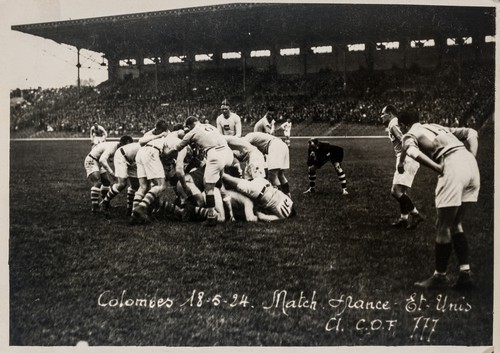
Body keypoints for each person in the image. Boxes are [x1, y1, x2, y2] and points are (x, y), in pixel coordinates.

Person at [398, 109, 480, 290]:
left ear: (403, 125)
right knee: (456, 222)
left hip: (452, 165)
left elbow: (411, 150)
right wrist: (471, 157)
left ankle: (439, 277)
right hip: (471, 167)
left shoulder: (410, 134)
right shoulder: (436, 126)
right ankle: (465, 275)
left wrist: (437, 167)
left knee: (442, 225)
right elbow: (472, 133)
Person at [165, 116, 235, 226]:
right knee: (219, 180)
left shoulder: (193, 131)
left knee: (208, 187)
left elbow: (177, 147)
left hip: (215, 154)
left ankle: (211, 217)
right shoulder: (210, 126)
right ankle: (231, 215)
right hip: (228, 153)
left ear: (190, 126)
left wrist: (166, 154)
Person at [381, 105, 424, 229]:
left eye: (383, 114)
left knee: (395, 191)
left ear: (390, 114)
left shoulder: (393, 123)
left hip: (406, 158)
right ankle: (404, 219)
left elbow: (404, 140)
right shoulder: (396, 122)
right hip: (409, 157)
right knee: (401, 192)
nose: (381, 116)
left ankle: (415, 214)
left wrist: (401, 161)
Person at [84, 135, 133, 212]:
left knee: (106, 182)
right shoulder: (113, 146)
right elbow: (102, 160)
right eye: (127, 145)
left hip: (98, 161)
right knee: (98, 182)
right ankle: (95, 207)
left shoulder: (118, 147)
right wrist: (111, 173)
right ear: (121, 143)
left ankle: (105, 204)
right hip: (92, 160)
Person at [222, 173, 295, 221]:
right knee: (227, 178)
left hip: (264, 183)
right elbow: (261, 216)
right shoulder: (282, 217)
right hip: (259, 192)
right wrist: (256, 211)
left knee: (232, 181)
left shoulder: (290, 202)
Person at [100, 141, 141, 216]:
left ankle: (129, 209)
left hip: (133, 159)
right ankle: (104, 202)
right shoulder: (153, 148)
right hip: (122, 155)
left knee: (135, 185)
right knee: (122, 183)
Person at [244, 132, 291, 197]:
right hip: (282, 145)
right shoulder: (255, 137)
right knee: (280, 175)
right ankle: (288, 196)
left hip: (275, 145)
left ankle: (280, 199)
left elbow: (242, 151)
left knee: (272, 175)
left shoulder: (247, 138)